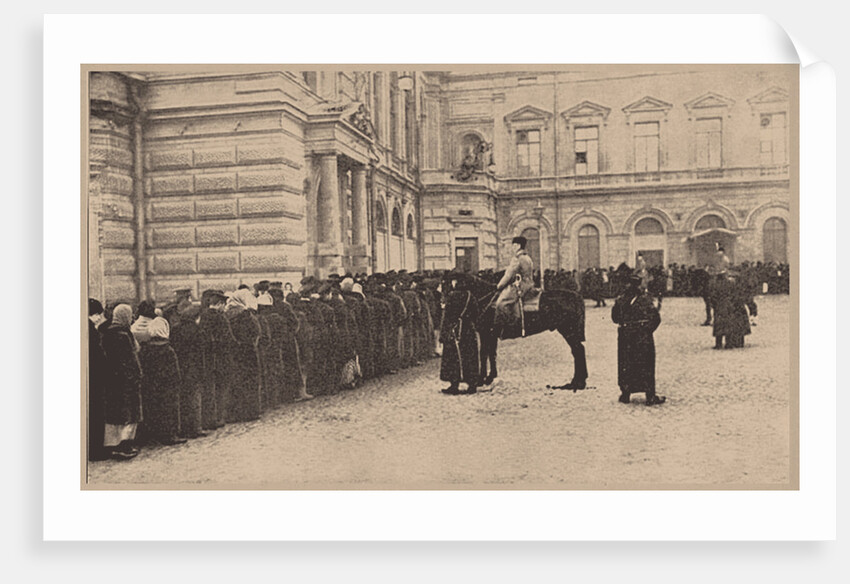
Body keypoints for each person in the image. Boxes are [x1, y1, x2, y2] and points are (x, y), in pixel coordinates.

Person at [611, 274, 665, 406]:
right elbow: (656, 318)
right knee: (646, 364)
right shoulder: (645, 300)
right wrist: (647, 330)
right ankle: (650, 396)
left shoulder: (620, 300)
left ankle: (626, 393)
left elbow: (615, 318)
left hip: (625, 336)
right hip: (642, 336)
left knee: (626, 363)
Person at [99, 304, 143, 459]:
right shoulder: (123, 335)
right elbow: (130, 359)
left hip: (112, 379)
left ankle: (112, 445)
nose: (131, 318)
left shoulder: (107, 332)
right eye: (130, 315)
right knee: (128, 414)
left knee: (114, 414)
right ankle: (124, 445)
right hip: (126, 381)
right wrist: (136, 376)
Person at [138, 317, 187, 445]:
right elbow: (174, 371)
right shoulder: (167, 349)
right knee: (168, 409)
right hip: (167, 386)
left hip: (150, 385)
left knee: (152, 408)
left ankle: (153, 435)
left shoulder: (145, 349)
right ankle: (169, 435)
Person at [439, 277, 481, 394]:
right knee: (470, 355)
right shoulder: (470, 296)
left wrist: (443, 333)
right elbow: (476, 313)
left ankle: (454, 384)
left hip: (454, 329)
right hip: (468, 330)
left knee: (453, 356)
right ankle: (472, 384)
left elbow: (446, 316)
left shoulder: (452, 296)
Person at [494, 235, 534, 331]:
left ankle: (509, 324)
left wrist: (499, 286)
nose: (512, 248)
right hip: (529, 283)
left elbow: (508, 275)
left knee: (501, 302)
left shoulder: (517, 259)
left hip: (521, 285)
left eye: (514, 245)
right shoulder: (527, 257)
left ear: (519, 246)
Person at [88, 299, 109, 461]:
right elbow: (98, 357)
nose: (99, 318)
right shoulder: (91, 331)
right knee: (96, 415)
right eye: (97, 314)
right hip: (95, 380)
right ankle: (96, 450)